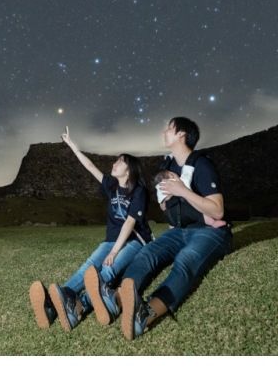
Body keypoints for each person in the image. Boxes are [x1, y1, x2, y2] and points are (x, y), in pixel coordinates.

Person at [86, 116, 232, 340]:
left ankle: (146, 313)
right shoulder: (168, 166)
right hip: (178, 230)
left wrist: (182, 190)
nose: (164, 132)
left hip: (210, 232)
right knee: (147, 253)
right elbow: (165, 205)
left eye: (169, 129)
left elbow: (218, 211)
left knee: (186, 260)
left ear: (182, 135)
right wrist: (167, 196)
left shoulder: (202, 164)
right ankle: (116, 299)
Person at [28, 126, 153, 332]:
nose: (114, 163)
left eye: (120, 161)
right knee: (88, 267)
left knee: (108, 269)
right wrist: (72, 146)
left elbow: (130, 222)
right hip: (111, 239)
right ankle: (54, 304)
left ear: (129, 168)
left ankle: (79, 306)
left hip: (134, 241)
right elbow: (89, 166)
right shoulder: (111, 185)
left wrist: (113, 252)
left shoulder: (139, 191)